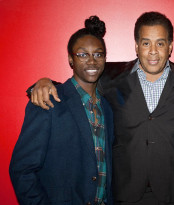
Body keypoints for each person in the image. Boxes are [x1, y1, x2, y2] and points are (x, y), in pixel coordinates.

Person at [27, 12, 174, 205]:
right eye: (146, 43)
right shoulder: (111, 76)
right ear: (136, 46)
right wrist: (43, 84)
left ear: (170, 46)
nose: (153, 51)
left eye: (160, 43)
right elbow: (80, 81)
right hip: (125, 193)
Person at [10, 16, 114, 205]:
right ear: (70, 59)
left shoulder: (108, 107)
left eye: (98, 54)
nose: (92, 61)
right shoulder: (48, 101)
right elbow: (22, 169)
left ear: (105, 59)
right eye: (83, 54)